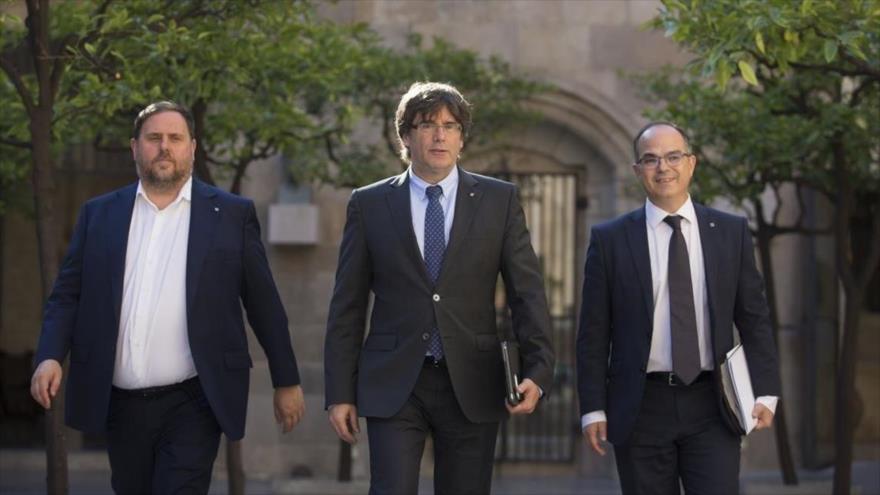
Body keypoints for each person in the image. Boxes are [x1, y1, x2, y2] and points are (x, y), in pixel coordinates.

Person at [30, 101, 305, 494]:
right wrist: (50, 355)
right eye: (154, 138)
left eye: (175, 138)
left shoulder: (230, 215)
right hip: (120, 404)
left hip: (194, 399)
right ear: (134, 147)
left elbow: (263, 303)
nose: (165, 147)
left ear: (192, 148)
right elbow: (67, 295)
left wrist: (287, 380)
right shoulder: (100, 215)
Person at [324, 81, 555, 495]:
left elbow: (527, 292)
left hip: (473, 379)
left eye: (450, 125)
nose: (439, 134)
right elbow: (348, 305)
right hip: (395, 383)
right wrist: (340, 392)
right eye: (427, 124)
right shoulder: (369, 203)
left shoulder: (499, 200)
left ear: (462, 137)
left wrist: (538, 370)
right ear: (406, 136)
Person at [576, 122, 781, 494]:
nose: (663, 168)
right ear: (638, 170)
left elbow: (754, 318)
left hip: (713, 403)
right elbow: (593, 332)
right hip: (640, 407)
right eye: (650, 160)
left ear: (691, 163)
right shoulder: (610, 240)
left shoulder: (730, 232)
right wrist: (593, 407)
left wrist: (766, 390)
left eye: (673, 157)